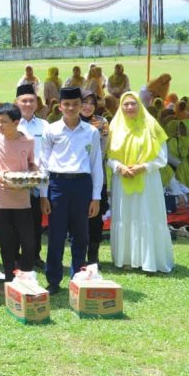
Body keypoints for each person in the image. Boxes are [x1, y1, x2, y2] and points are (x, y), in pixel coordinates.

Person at [40, 87, 104, 295]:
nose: (71, 108)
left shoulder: (91, 132)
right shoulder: (51, 130)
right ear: (60, 106)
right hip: (58, 184)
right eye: (66, 104)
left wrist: (96, 197)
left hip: (82, 185)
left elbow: (96, 165)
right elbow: (43, 164)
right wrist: (43, 194)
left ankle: (78, 276)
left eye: (76, 104)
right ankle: (54, 279)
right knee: (56, 235)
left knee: (81, 235)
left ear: (81, 106)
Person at [108, 92, 173, 273]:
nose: (129, 107)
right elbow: (108, 157)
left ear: (140, 105)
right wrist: (119, 167)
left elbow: (162, 158)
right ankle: (126, 259)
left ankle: (149, 259)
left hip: (147, 180)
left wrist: (142, 167)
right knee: (126, 216)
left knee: (146, 215)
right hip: (123, 179)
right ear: (121, 106)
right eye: (126, 104)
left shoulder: (152, 127)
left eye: (133, 104)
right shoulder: (115, 127)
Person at [0, 105, 41, 281]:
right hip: (2, 197)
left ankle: (25, 274)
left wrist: (34, 173)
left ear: (16, 123)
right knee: (6, 241)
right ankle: (10, 277)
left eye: (4, 122)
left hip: (22, 197)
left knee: (28, 241)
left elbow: (32, 163)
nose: (0, 125)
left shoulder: (28, 140)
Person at [79, 90, 110, 264]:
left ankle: (93, 256)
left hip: (97, 175)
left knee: (95, 219)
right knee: (78, 218)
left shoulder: (102, 123)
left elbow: (102, 150)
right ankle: (79, 256)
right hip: (76, 177)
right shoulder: (71, 122)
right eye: (84, 102)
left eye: (91, 103)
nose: (88, 106)